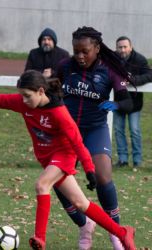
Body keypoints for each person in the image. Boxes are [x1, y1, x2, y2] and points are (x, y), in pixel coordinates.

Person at [0, 70, 135, 250]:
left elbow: (77, 143)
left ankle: (40, 238)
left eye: (27, 96)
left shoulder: (59, 113)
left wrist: (89, 170)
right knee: (81, 203)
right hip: (48, 159)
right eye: (22, 96)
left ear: (41, 91)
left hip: (64, 155)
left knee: (42, 185)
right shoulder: (24, 104)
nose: (24, 100)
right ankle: (122, 232)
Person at [56, 27, 134, 250]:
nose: (80, 56)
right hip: (68, 132)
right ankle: (84, 226)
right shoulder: (65, 66)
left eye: (85, 51)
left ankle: (116, 233)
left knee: (103, 177)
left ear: (97, 49)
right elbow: (51, 90)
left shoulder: (110, 71)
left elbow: (127, 102)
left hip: (95, 130)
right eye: (76, 51)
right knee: (59, 181)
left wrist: (116, 104)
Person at [113, 36, 152, 168]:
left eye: (125, 47)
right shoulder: (112, 59)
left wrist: (133, 80)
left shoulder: (140, 59)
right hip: (118, 101)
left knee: (135, 131)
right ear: (116, 48)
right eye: (120, 47)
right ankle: (122, 160)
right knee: (118, 130)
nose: (122, 50)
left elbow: (149, 75)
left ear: (131, 47)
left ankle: (137, 160)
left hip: (134, 103)